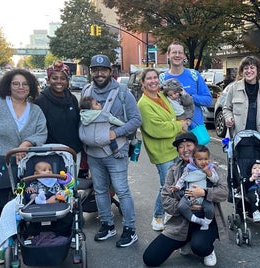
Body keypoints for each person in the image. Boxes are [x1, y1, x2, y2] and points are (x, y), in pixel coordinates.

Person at [0, 68, 47, 264]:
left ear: (31, 87)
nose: (21, 87)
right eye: (16, 83)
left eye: (25, 84)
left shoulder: (35, 110)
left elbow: (41, 133)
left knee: (25, 203)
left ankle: (21, 241)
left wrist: (26, 144)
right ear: (8, 86)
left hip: (24, 164)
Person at [80, 54, 142, 248]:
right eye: (95, 70)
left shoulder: (123, 93)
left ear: (110, 72)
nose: (99, 73)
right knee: (99, 191)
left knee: (122, 191)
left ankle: (130, 230)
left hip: (117, 153)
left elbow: (136, 120)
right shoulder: (86, 90)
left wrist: (116, 133)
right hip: (93, 153)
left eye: (103, 70)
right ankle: (107, 225)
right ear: (91, 72)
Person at [143, 132, 226, 267]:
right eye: (181, 147)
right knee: (150, 259)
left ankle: (207, 249)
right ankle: (185, 240)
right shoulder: (174, 170)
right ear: (178, 151)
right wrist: (185, 207)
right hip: (181, 221)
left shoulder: (211, 168)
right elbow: (165, 198)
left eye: (189, 145)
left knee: (200, 247)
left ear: (196, 147)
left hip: (206, 219)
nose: (185, 149)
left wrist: (204, 193)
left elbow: (224, 192)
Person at [136, 68, 190, 231]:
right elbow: (156, 129)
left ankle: (170, 212)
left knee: (177, 183)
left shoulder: (161, 95)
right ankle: (157, 216)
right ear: (142, 83)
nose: (153, 81)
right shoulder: (143, 104)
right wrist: (179, 125)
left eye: (155, 78)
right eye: (149, 79)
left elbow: (172, 114)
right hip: (161, 151)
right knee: (166, 186)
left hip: (174, 147)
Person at [33, 62, 87, 177]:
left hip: (73, 152)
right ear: (48, 80)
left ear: (67, 81)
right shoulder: (41, 101)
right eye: (54, 78)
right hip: (51, 153)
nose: (59, 81)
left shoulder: (72, 98)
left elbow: (77, 123)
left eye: (63, 78)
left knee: (71, 188)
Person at [161, 41, 212, 145]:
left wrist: (187, 97)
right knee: (176, 161)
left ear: (184, 56)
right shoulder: (162, 79)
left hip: (196, 131)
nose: (177, 55)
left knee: (199, 161)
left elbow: (208, 100)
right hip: (173, 133)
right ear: (168, 55)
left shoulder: (194, 75)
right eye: (174, 52)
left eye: (180, 52)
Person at [222, 55, 260, 136]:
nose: (249, 71)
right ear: (242, 71)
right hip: (237, 138)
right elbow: (226, 108)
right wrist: (229, 118)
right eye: (246, 68)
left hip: (259, 138)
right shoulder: (233, 88)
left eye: (252, 67)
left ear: (257, 70)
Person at [170, 145, 218, 230]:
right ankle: (198, 221)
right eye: (200, 159)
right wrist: (177, 187)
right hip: (190, 194)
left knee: (210, 209)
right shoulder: (189, 168)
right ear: (194, 160)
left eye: (206, 159)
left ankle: (206, 223)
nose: (203, 162)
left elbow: (216, 180)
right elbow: (182, 179)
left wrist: (208, 173)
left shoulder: (210, 168)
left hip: (204, 196)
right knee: (181, 206)